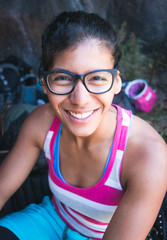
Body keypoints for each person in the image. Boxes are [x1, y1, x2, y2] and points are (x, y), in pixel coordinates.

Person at [0, 10, 166, 240]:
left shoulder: (148, 155)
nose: (80, 99)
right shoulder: (42, 123)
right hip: (51, 218)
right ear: (45, 85)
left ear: (116, 82)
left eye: (97, 78)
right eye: (63, 78)